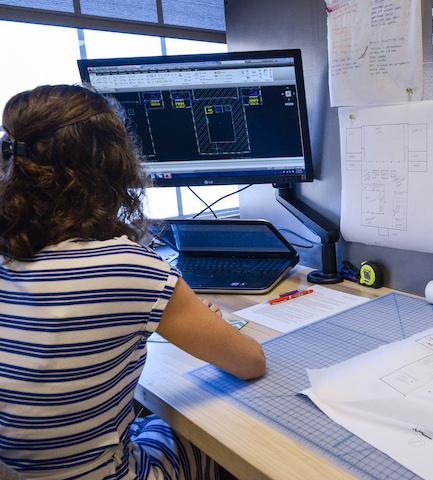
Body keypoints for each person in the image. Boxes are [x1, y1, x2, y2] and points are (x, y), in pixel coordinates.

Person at [0, 85, 266, 479]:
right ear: (110, 165)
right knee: (204, 435)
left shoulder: (10, 255)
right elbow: (250, 363)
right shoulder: (129, 266)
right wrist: (212, 328)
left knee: (143, 419)